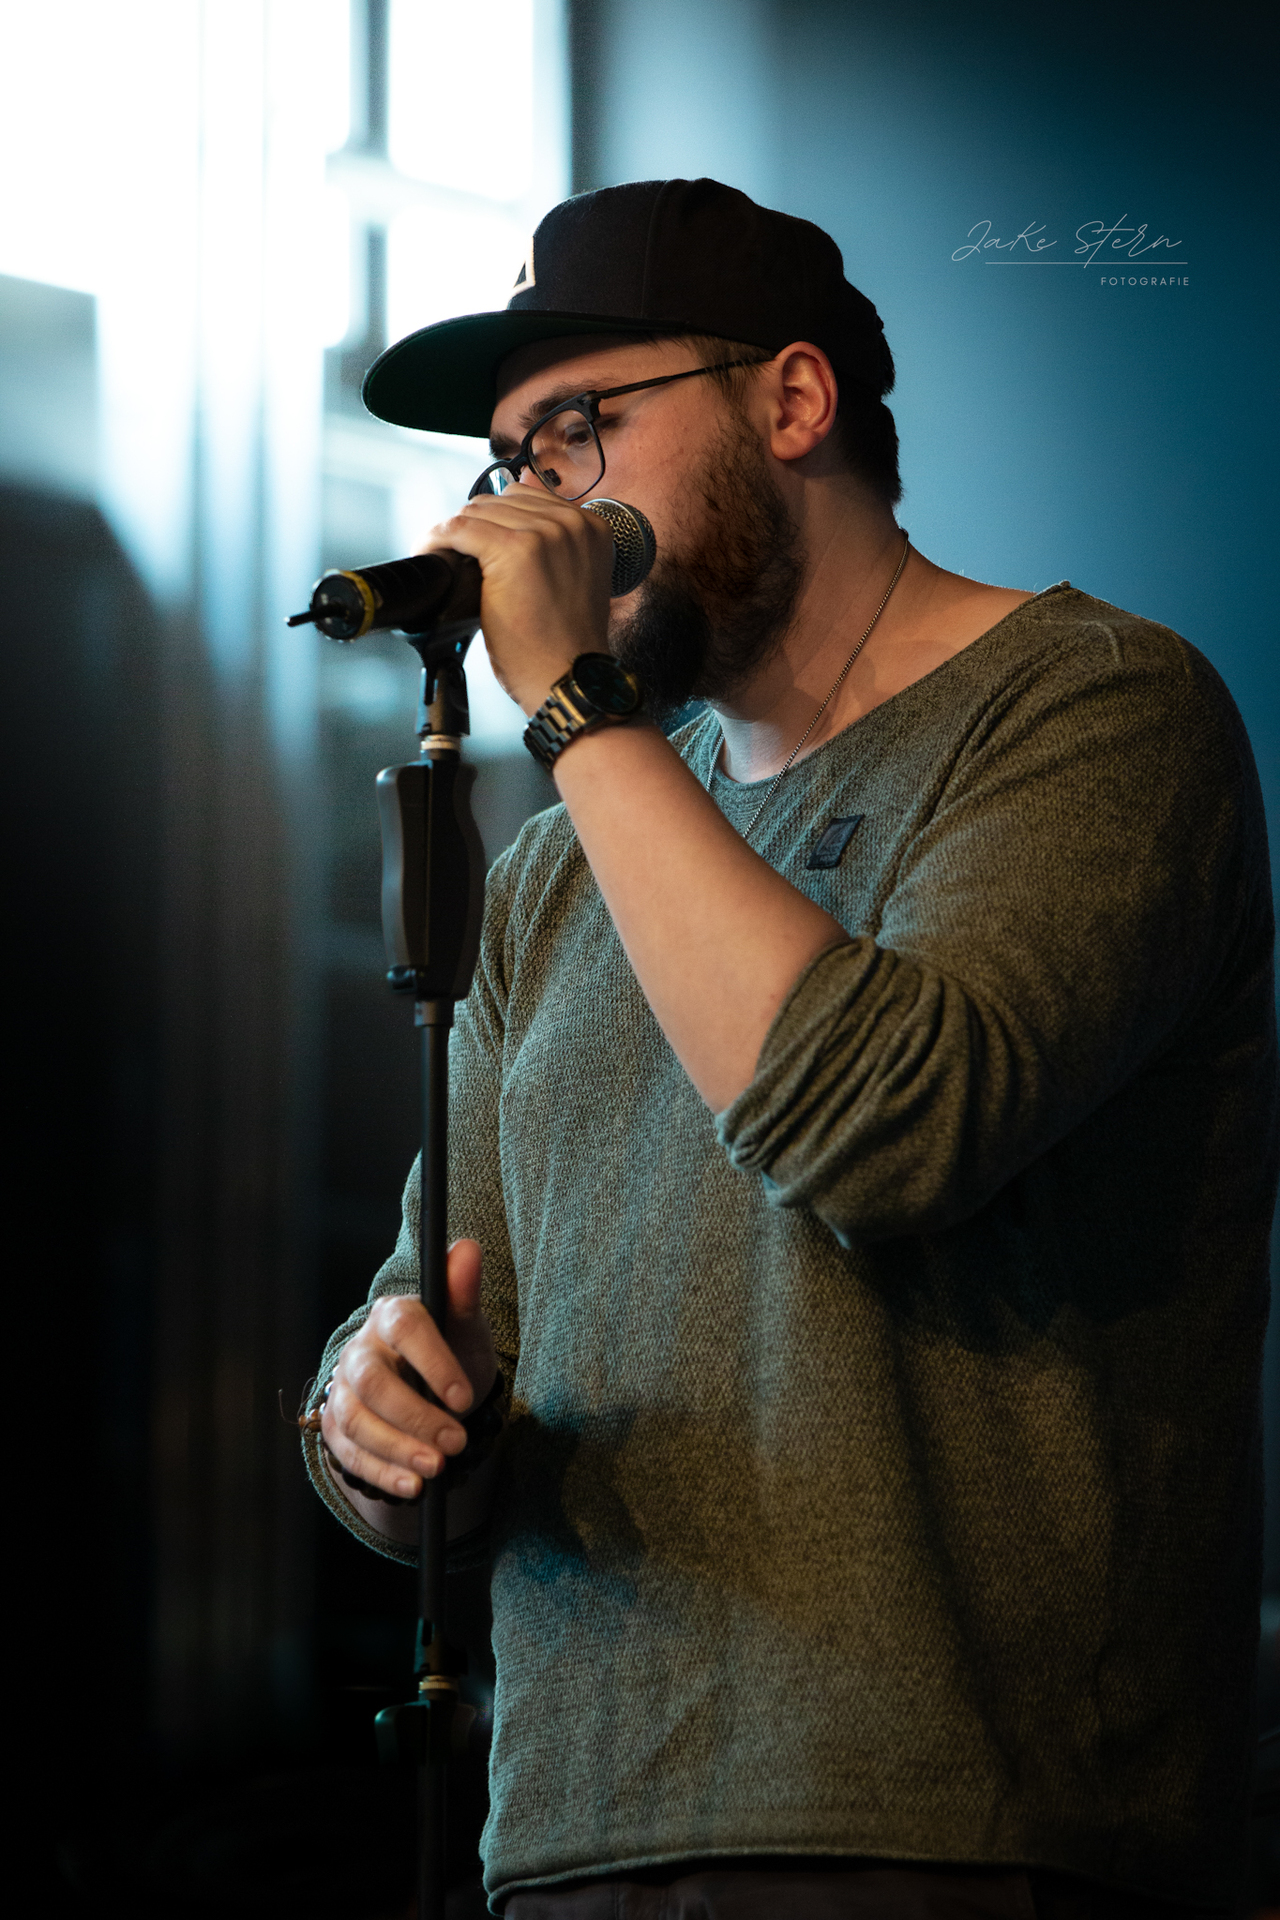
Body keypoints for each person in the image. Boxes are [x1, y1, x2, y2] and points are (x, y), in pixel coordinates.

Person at [301, 178, 1276, 1918]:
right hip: (575, 1839)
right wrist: (379, 1427)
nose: (530, 506)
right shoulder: (554, 875)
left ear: (795, 400)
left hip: (960, 1837)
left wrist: (575, 712)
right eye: (509, 461)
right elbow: (437, 1312)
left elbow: (887, 1126)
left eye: (579, 431)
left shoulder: (1096, 709)